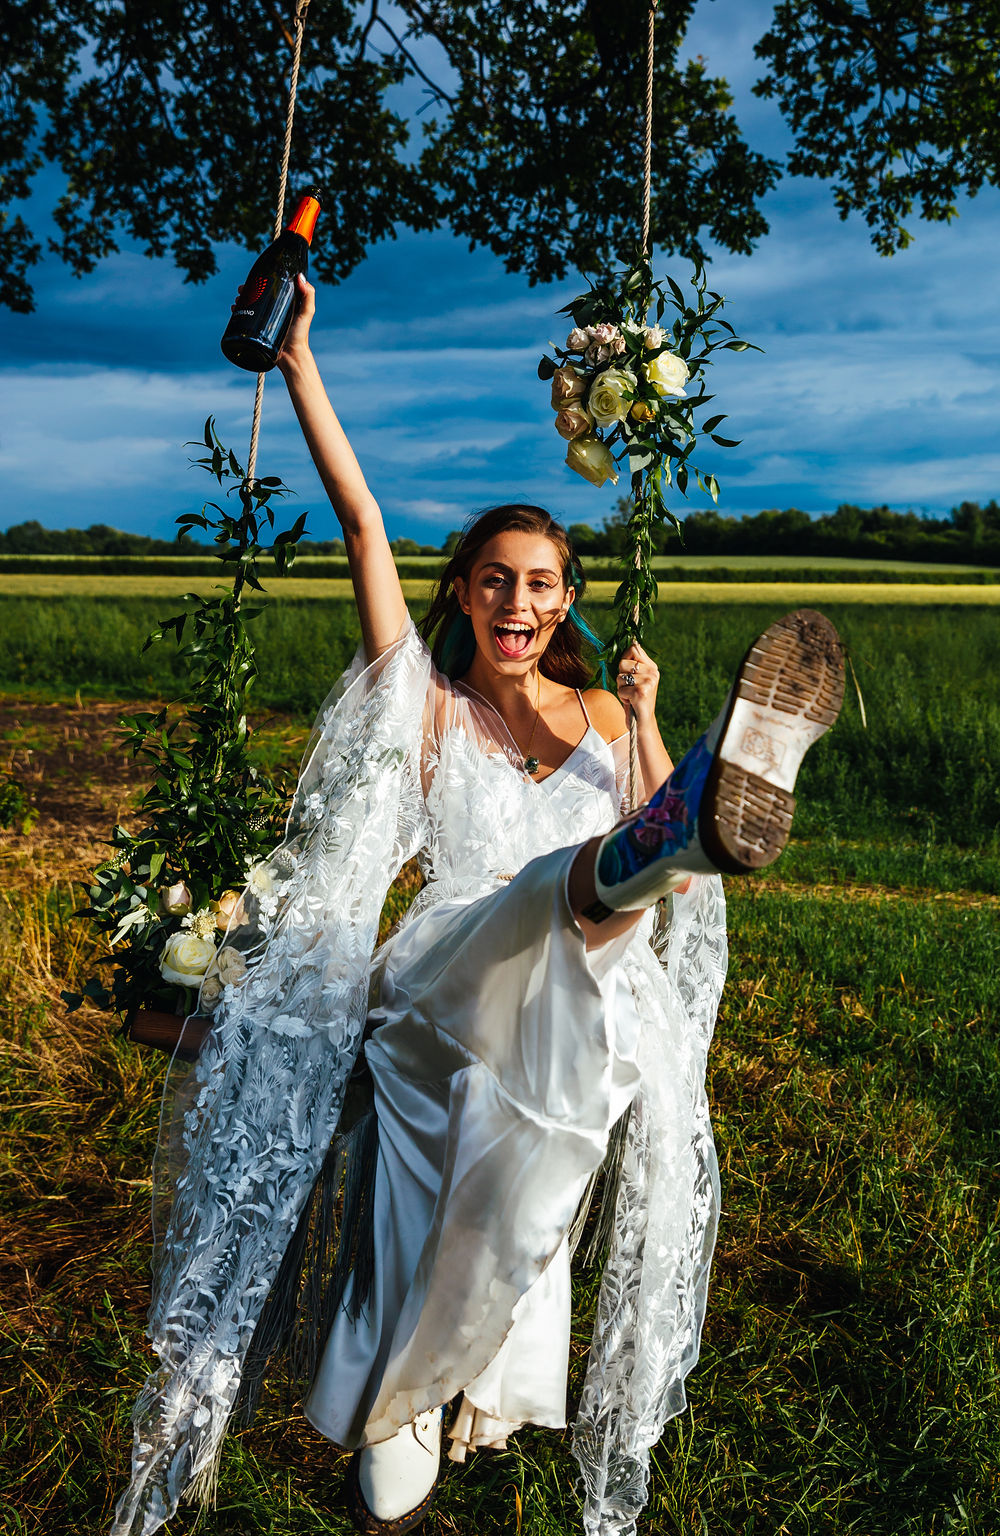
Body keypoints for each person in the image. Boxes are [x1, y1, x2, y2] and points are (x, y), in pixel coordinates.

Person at [109, 275, 845, 1536]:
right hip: (444, 974)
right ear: (462, 593)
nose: (518, 604)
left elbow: (685, 848)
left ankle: (423, 1395)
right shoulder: (430, 708)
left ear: (566, 600)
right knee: (542, 897)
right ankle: (402, 1400)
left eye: (544, 584)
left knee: (551, 1112)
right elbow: (358, 521)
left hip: (578, 1001)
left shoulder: (611, 716)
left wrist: (658, 723)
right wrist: (296, 371)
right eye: (496, 581)